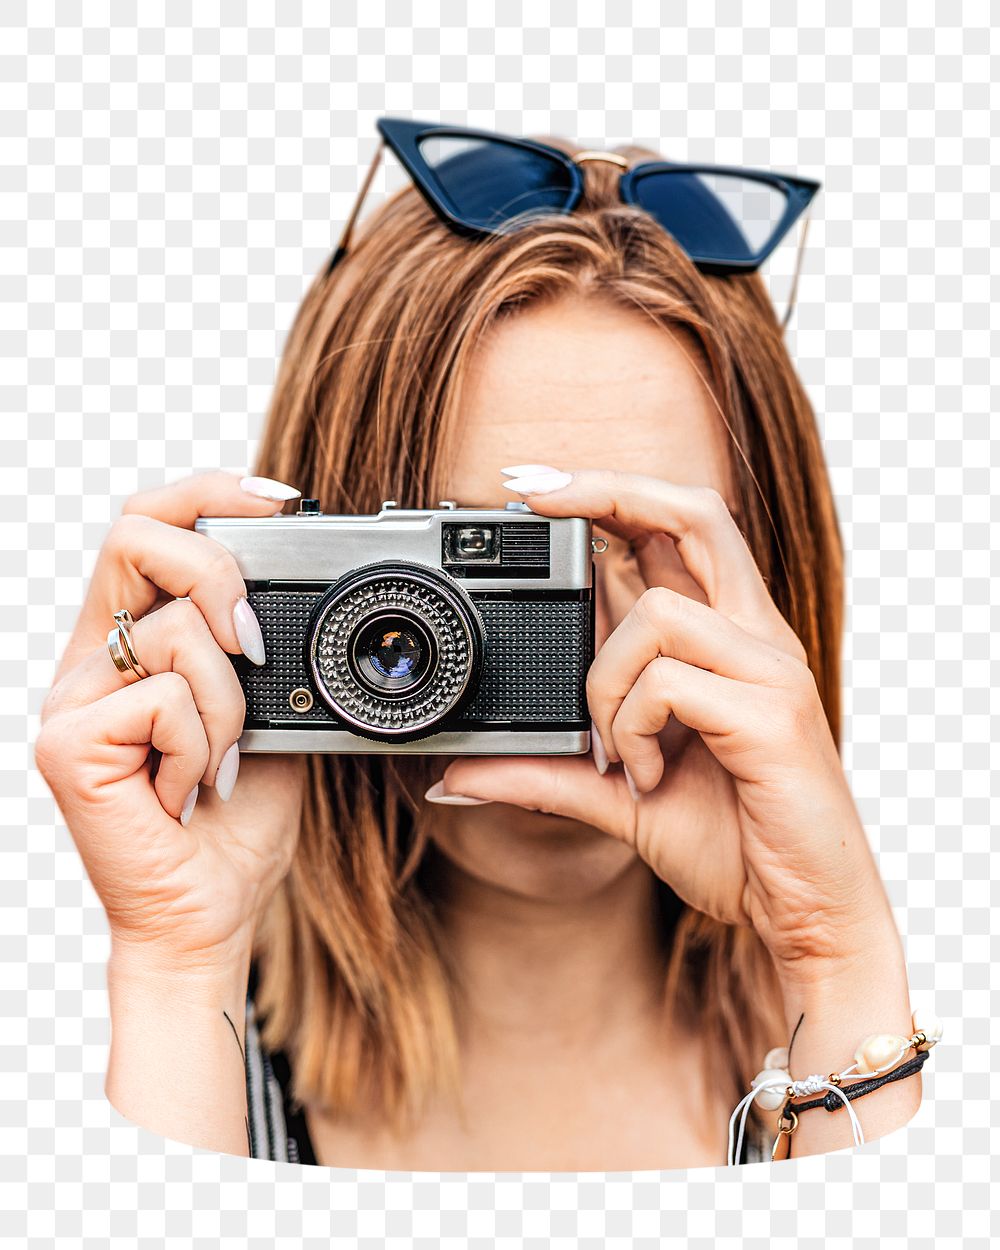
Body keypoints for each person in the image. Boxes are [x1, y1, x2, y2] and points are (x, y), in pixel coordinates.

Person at [36, 120, 927, 1170]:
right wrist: (180, 969)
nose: (586, 644)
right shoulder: (120, 1072)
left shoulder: (889, 1044)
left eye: (643, 541)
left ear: (771, 573)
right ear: (300, 567)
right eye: (480, 557)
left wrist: (832, 955)